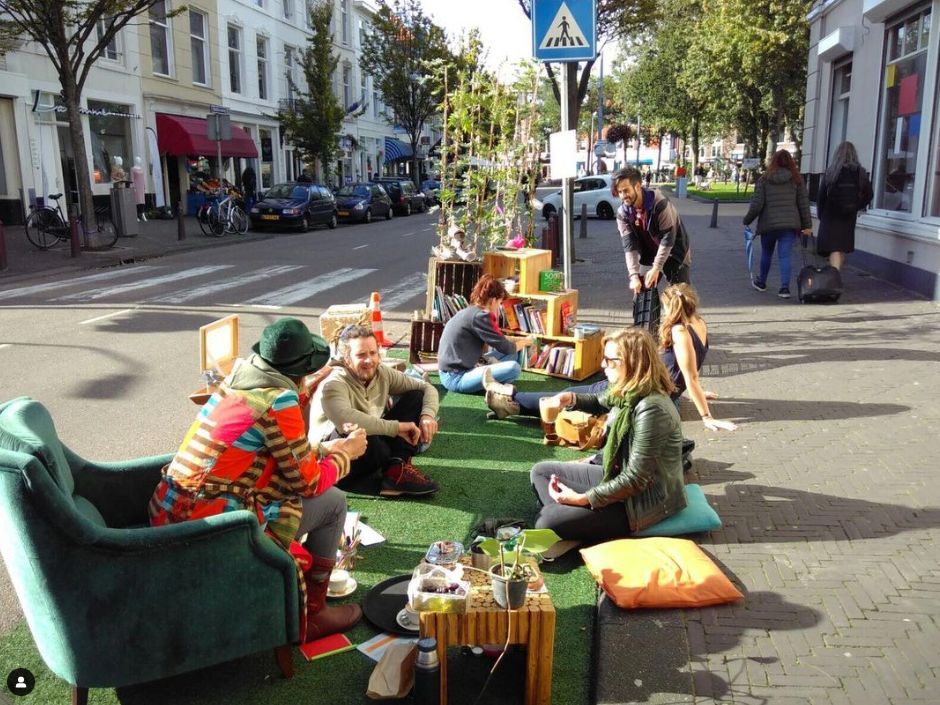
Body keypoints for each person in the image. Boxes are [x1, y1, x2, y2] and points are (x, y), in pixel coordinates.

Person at [150, 318, 367, 642]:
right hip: (207, 527)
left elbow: (268, 447)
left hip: (168, 509)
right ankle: (313, 615)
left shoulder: (237, 381)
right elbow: (308, 483)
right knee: (333, 501)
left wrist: (323, 447)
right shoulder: (278, 399)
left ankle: (307, 603)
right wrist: (345, 453)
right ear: (300, 372)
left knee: (314, 494)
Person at [484, 284, 736, 432]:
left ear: (674, 307)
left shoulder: (680, 331)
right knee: (584, 397)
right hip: (662, 393)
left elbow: (690, 375)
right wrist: (699, 392)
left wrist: (707, 417)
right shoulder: (699, 324)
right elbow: (691, 371)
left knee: (577, 395)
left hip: (643, 389)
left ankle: (511, 398)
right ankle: (512, 399)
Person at [528, 328, 686, 543]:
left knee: (546, 522)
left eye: (609, 360)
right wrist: (571, 398)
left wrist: (585, 499)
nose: (603, 365)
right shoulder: (628, 392)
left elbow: (636, 480)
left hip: (642, 501)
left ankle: (565, 524)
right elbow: (600, 400)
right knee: (540, 472)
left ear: (630, 363)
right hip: (613, 473)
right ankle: (568, 525)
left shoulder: (652, 409)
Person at [310, 324, 440, 497]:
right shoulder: (334, 382)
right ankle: (386, 474)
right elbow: (345, 420)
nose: (369, 360)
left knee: (415, 396)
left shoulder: (382, 372)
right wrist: (396, 427)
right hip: (337, 455)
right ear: (347, 359)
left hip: (370, 446)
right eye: (361, 355)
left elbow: (426, 388)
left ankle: (396, 468)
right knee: (359, 428)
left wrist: (427, 416)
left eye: (373, 353)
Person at [436, 273, 534, 394]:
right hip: (457, 377)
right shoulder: (482, 317)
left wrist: (517, 340)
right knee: (514, 368)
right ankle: (494, 382)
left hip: (460, 368)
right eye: (500, 302)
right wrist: (526, 341)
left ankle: (493, 379)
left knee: (514, 355)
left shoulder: (472, 311)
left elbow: (499, 339)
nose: (499, 307)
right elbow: (507, 348)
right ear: (493, 300)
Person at [742, 149, 812, 299]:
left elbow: (757, 204)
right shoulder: (797, 180)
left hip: (768, 225)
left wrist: (747, 220)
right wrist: (807, 226)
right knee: (785, 256)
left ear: (773, 161)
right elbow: (803, 205)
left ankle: (761, 282)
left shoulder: (764, 179)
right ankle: (784, 288)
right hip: (789, 225)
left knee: (766, 253)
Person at [613, 167, 692, 297]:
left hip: (674, 252)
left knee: (680, 297)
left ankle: (684, 316)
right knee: (641, 292)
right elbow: (629, 246)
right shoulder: (623, 213)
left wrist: (656, 268)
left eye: (626, 190)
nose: (623, 196)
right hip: (649, 254)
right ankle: (647, 317)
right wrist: (633, 275)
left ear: (637, 186)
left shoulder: (660, 204)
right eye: (619, 192)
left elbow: (668, 239)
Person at [816, 141, 873, 271]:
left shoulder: (831, 172)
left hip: (831, 215)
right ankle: (836, 275)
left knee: (834, 248)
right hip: (849, 217)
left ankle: (834, 278)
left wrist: (821, 214)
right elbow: (869, 194)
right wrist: (856, 206)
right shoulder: (860, 173)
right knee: (840, 248)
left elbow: (821, 196)